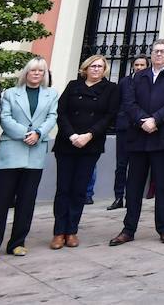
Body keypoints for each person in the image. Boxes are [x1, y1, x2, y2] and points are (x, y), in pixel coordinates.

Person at [111, 37, 164, 246]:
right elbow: (129, 102)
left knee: (162, 185)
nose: (159, 54)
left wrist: (156, 119)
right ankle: (128, 229)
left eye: (163, 51)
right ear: (151, 53)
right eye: (156, 51)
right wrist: (142, 120)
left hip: (162, 137)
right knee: (134, 186)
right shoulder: (138, 76)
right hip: (138, 137)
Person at [0, 56, 57, 261]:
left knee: (26, 201)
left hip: (35, 152)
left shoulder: (51, 94)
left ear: (44, 75)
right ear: (26, 72)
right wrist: (26, 133)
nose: (36, 74)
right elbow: (5, 118)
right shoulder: (10, 94)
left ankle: (17, 242)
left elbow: (52, 117)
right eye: (33, 70)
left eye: (40, 71)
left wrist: (39, 134)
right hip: (12, 151)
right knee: (0, 201)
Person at [52, 54, 120, 249]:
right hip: (67, 143)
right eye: (93, 66)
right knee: (63, 188)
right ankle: (58, 232)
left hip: (91, 145)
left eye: (100, 66)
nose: (96, 69)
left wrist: (89, 135)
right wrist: (72, 135)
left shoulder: (111, 89)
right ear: (86, 68)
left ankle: (72, 230)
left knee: (79, 189)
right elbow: (61, 112)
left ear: (104, 69)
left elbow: (110, 116)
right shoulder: (73, 85)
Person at [106, 55, 148, 211]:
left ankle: (132, 197)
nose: (139, 67)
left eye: (142, 65)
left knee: (137, 166)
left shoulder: (150, 81)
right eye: (136, 64)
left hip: (141, 128)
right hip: (124, 127)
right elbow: (117, 102)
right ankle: (118, 197)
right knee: (121, 164)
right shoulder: (124, 81)